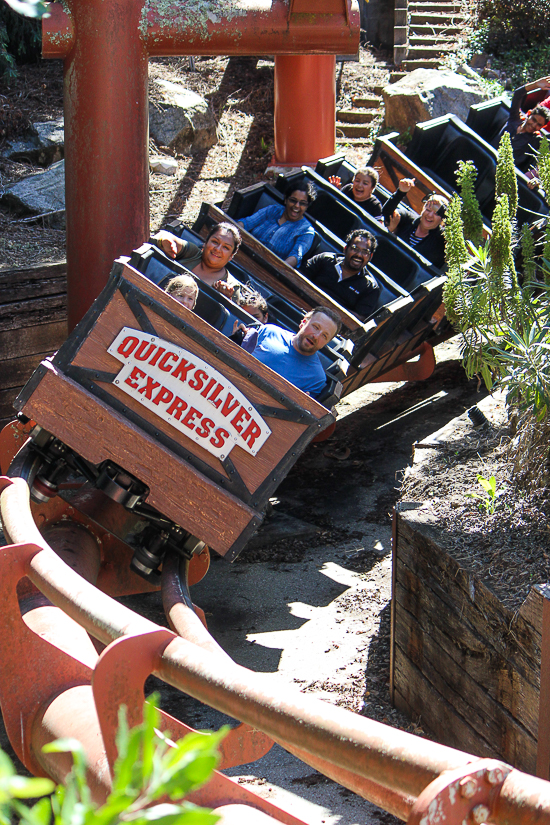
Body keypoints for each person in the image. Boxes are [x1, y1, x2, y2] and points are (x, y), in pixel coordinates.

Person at [251, 307, 341, 398]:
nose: (316, 336)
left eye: (324, 336)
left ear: (326, 343)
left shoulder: (316, 378)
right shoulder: (269, 331)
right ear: (303, 322)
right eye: (316, 327)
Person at [238, 179, 316, 268]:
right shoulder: (272, 210)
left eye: (302, 203)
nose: (297, 206)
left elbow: (295, 256)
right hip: (244, 253)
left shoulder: (306, 230)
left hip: (269, 269)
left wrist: (278, 268)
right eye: (293, 200)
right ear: (286, 200)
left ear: (307, 206)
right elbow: (246, 223)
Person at [304, 230, 380, 320]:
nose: (359, 255)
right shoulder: (324, 259)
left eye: (365, 252)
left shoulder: (370, 287)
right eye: (355, 249)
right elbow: (298, 278)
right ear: (345, 249)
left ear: (370, 257)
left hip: (332, 324)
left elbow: (359, 319)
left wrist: (328, 308)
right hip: (302, 305)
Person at [153, 222, 241, 299]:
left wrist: (224, 299)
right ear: (205, 243)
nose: (218, 249)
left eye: (226, 247)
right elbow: (164, 235)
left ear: (231, 256)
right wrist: (165, 241)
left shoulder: (231, 286)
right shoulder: (192, 254)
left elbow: (231, 316)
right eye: (215, 242)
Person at [382, 178, 448, 269]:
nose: (430, 215)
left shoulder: (441, 238)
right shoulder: (409, 219)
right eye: (428, 210)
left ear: (442, 218)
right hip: (388, 263)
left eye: (436, 214)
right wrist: (401, 192)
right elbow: (387, 213)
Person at [499, 76, 550, 173]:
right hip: (488, 156)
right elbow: (518, 95)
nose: (534, 125)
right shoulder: (514, 119)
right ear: (529, 114)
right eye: (533, 120)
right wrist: (535, 85)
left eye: (538, 125)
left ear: (542, 127)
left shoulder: (535, 141)